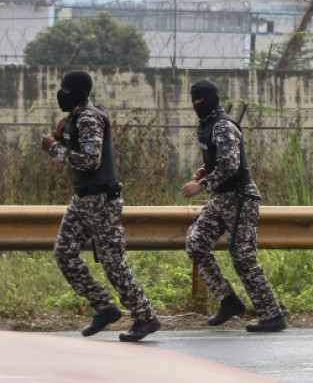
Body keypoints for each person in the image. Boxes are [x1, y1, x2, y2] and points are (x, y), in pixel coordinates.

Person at [41, 70, 161, 342]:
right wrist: (62, 138)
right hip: (82, 199)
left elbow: (89, 160)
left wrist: (53, 148)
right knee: (64, 254)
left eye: (65, 89)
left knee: (112, 262)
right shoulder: (76, 118)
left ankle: (145, 317)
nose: (61, 93)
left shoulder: (89, 117)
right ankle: (104, 306)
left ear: (77, 91)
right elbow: (80, 151)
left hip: (100, 201)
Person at [181, 79, 287, 333]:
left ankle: (272, 315)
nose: (197, 104)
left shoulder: (223, 126)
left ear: (212, 98)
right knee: (196, 245)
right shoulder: (207, 125)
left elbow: (231, 165)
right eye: (193, 100)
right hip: (221, 199)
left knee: (242, 257)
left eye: (201, 100)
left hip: (240, 198)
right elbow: (221, 162)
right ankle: (229, 301)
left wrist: (202, 185)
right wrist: (206, 170)